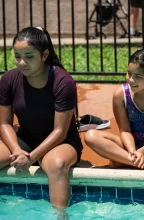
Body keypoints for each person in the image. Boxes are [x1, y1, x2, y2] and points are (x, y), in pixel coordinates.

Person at [0, 27, 83, 210]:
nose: (22, 62)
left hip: (61, 143)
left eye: (29, 56)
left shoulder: (63, 82)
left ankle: (60, 215)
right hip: (25, 140)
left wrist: (31, 158)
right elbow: (4, 123)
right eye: (17, 56)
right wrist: (17, 150)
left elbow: (60, 131)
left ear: (44, 55)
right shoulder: (8, 79)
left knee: (56, 165)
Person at [84, 48, 144, 170]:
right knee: (91, 136)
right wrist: (132, 151)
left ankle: (123, 160)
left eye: (138, 76)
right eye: (129, 73)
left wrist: (142, 152)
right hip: (128, 147)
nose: (131, 80)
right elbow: (125, 131)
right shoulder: (120, 95)